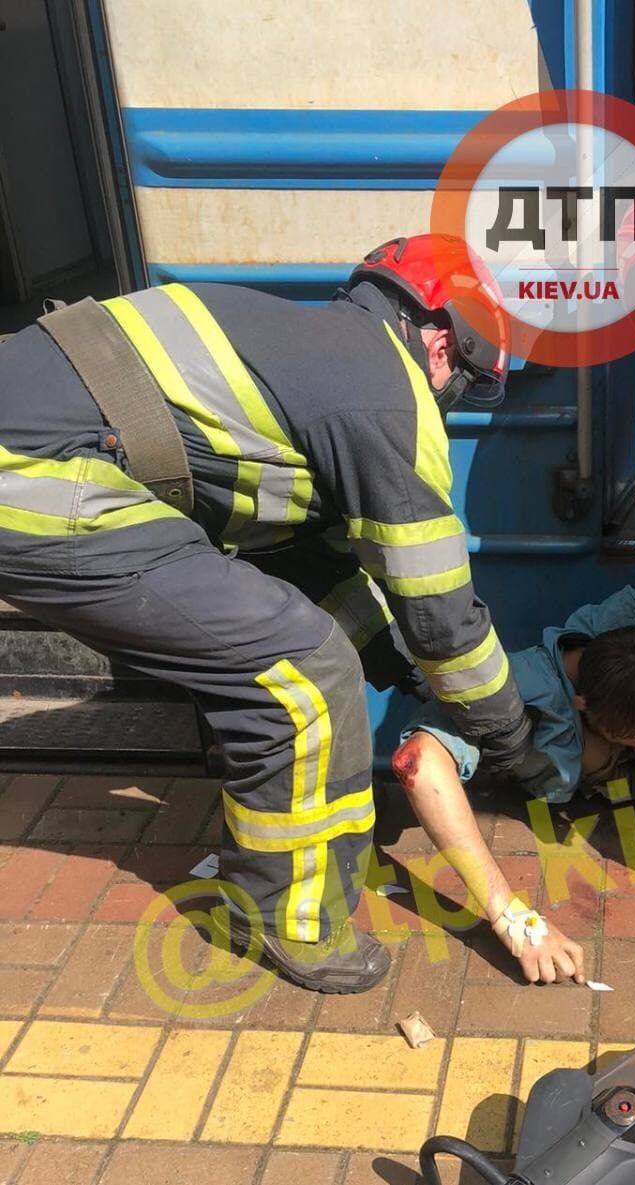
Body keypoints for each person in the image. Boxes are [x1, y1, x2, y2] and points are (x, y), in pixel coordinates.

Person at [0, 235, 535, 994]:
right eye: (465, 385)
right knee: (304, 670)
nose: (450, 404)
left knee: (299, 636)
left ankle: (271, 860)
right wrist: (507, 732)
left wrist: (396, 660)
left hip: (41, 448)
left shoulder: (309, 352)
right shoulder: (384, 392)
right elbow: (442, 612)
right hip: (30, 477)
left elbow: (299, 558)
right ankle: (290, 918)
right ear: (441, 344)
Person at [391, 584, 635, 984]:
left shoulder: (621, 621)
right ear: (583, 705)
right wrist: (513, 920)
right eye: (629, 740)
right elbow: (417, 763)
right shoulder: (515, 696)